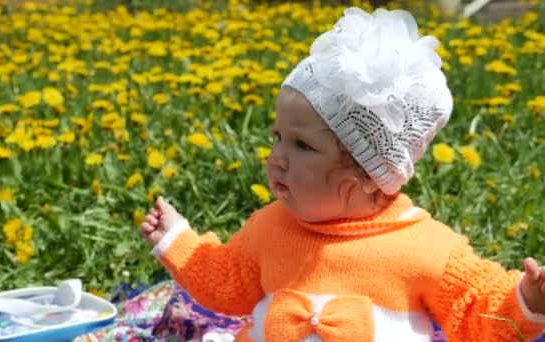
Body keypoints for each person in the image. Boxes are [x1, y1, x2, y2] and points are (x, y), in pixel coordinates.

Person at [140, 7, 545, 341]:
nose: (277, 157)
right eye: (277, 137)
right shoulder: (269, 228)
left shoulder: (423, 246)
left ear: (369, 173)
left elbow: (474, 307)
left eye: (302, 146)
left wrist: (527, 299)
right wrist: (176, 239)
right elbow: (227, 281)